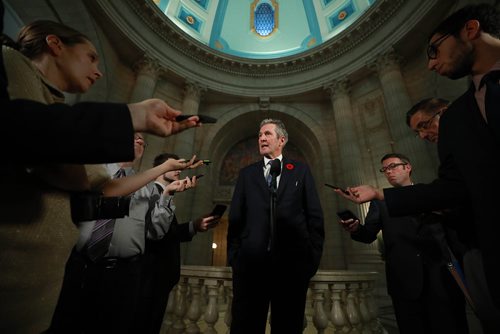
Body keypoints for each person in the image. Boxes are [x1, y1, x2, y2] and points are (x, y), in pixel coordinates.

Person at [0, 19, 197, 333]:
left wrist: (162, 171)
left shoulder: (56, 105)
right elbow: (49, 151)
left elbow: (104, 188)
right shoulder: (11, 65)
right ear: (56, 45)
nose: (99, 69)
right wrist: (136, 115)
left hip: (34, 297)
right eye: (91, 57)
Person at [335, 4, 500, 332]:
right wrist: (376, 196)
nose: (430, 63)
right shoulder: (461, 114)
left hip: (441, 276)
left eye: (434, 49)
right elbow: (455, 190)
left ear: (470, 30)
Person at [48, 138, 209, 333]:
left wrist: (167, 195)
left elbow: (156, 233)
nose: (140, 139)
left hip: (123, 275)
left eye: (143, 139)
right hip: (80, 267)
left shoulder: (148, 190)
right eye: (134, 135)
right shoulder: (90, 173)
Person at [339, 153, 467, 334]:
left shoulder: (431, 193)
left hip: (441, 277)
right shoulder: (379, 204)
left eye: (393, 166)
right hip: (404, 282)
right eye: (385, 170)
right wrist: (355, 228)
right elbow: (368, 235)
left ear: (408, 167)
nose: (389, 172)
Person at [227, 119, 324, 334]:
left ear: (282, 140)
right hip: (251, 269)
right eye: (260, 134)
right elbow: (236, 219)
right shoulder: (246, 174)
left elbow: (314, 217)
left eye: (267, 134)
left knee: (288, 327)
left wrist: (310, 260)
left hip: (291, 269)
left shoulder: (300, 171)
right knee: (245, 326)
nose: (261, 138)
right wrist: (235, 258)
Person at [134, 153, 220, 334]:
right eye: (174, 166)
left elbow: (167, 234)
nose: (179, 170)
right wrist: (169, 194)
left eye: (180, 167)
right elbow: (152, 233)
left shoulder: (165, 194)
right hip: (147, 276)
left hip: (160, 279)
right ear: (161, 168)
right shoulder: (147, 192)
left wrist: (194, 226)